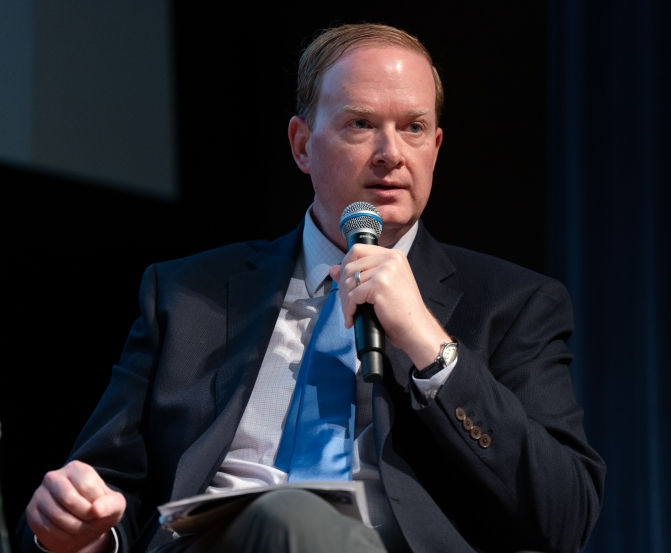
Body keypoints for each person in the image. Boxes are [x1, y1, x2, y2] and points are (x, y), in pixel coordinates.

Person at [18, 23, 605, 553]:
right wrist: (78, 530)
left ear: (436, 147)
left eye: (414, 128)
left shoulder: (512, 303)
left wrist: (429, 344)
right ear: (301, 145)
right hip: (207, 542)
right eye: (361, 124)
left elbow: (564, 516)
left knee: (297, 518)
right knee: (284, 515)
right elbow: (102, 492)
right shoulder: (187, 295)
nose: (391, 154)